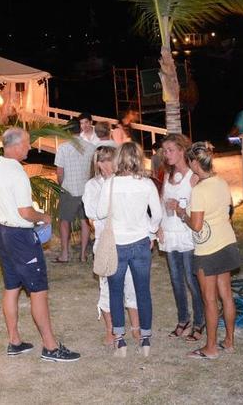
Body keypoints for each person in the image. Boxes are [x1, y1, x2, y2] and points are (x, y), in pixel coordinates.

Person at [0, 127, 79, 362]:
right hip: (21, 237)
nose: (30, 147)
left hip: (3, 233)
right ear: (15, 146)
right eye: (27, 143)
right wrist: (43, 217)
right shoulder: (17, 173)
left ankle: (14, 341)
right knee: (38, 291)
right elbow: (25, 212)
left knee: (11, 288)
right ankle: (50, 347)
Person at [90, 141, 162, 357]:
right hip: (140, 242)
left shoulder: (110, 184)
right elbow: (156, 215)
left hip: (117, 244)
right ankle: (146, 339)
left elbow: (101, 213)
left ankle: (120, 341)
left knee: (115, 291)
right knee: (142, 291)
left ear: (119, 158)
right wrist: (150, 232)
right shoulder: (147, 184)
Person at [177, 142, 241, 360]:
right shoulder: (221, 182)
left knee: (209, 300)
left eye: (189, 161)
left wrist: (181, 213)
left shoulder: (199, 191)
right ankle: (230, 341)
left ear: (195, 163)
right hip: (227, 243)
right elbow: (228, 209)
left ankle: (211, 348)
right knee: (227, 296)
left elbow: (196, 224)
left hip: (208, 250)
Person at [83, 145, 139, 346]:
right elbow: (93, 213)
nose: (108, 164)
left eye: (111, 159)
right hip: (105, 242)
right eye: (103, 160)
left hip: (126, 240)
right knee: (107, 286)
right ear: (97, 163)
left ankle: (136, 327)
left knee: (131, 284)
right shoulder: (92, 185)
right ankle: (111, 330)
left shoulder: (125, 182)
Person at [157, 133, 205, 342]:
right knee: (176, 280)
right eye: (164, 151)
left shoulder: (193, 177)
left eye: (170, 150)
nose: (166, 154)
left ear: (181, 150)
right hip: (170, 233)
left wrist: (181, 207)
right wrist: (158, 226)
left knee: (191, 280)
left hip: (186, 233)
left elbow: (200, 204)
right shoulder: (167, 176)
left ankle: (199, 321)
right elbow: (160, 201)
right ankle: (182, 318)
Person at [52, 132, 94, 263]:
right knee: (85, 221)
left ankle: (65, 254)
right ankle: (83, 255)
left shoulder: (63, 148)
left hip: (69, 189)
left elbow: (60, 172)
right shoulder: (91, 147)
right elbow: (93, 170)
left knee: (65, 222)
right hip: (86, 190)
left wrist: (62, 185)